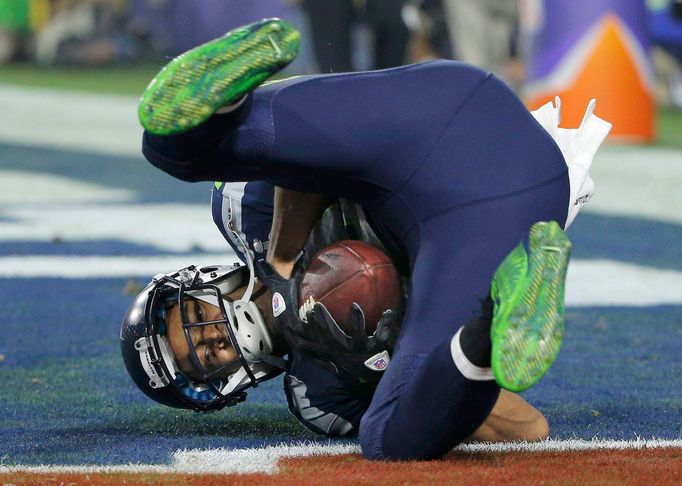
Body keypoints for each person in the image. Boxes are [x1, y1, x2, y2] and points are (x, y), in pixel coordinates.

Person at [122, 18, 611, 460]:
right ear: (224, 385)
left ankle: (223, 97)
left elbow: (312, 149)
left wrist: (285, 257)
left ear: (198, 283)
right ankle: (486, 329)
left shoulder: (242, 211)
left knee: (170, 148)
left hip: (432, 122)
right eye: (206, 355)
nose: (215, 334)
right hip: (495, 208)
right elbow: (528, 428)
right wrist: (374, 361)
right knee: (386, 439)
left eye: (196, 318)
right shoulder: (320, 395)